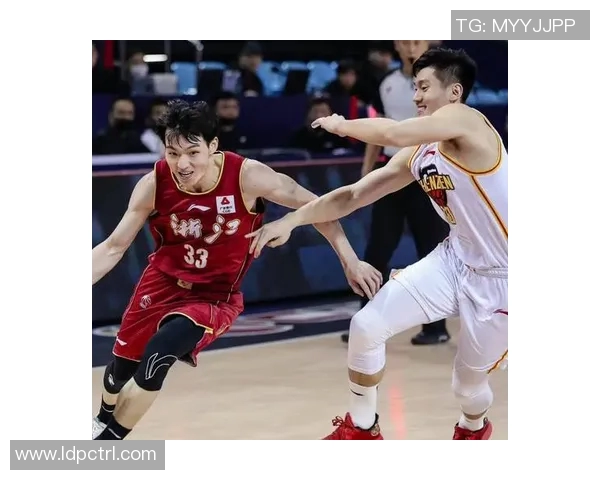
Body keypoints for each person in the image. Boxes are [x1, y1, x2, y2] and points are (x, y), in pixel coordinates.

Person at [246, 48, 507, 440]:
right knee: (367, 325)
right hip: (454, 260)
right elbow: (353, 195)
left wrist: (341, 124)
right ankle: (363, 428)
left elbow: (392, 133)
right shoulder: (420, 153)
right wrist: (293, 220)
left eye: (424, 87)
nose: (416, 96)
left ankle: (473, 428)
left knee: (467, 388)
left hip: (502, 278)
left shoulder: (467, 120)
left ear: (454, 92)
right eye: (414, 87)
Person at [91, 100, 382, 440]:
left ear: (213, 145)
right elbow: (113, 246)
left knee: (158, 355)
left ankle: (104, 447)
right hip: (161, 282)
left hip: (213, 296)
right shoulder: (154, 183)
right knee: (118, 373)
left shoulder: (247, 176)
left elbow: (319, 207)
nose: (182, 164)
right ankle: (102, 418)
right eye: (173, 153)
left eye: (192, 153)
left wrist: (350, 260)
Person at [341, 39, 450, 346]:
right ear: (396, 47)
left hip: (427, 171)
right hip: (391, 171)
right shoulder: (386, 83)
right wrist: (367, 169)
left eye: (416, 39)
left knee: (431, 251)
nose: (411, 46)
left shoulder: (442, 80)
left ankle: (436, 327)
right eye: (404, 40)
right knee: (377, 248)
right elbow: (378, 127)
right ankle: (366, 323)